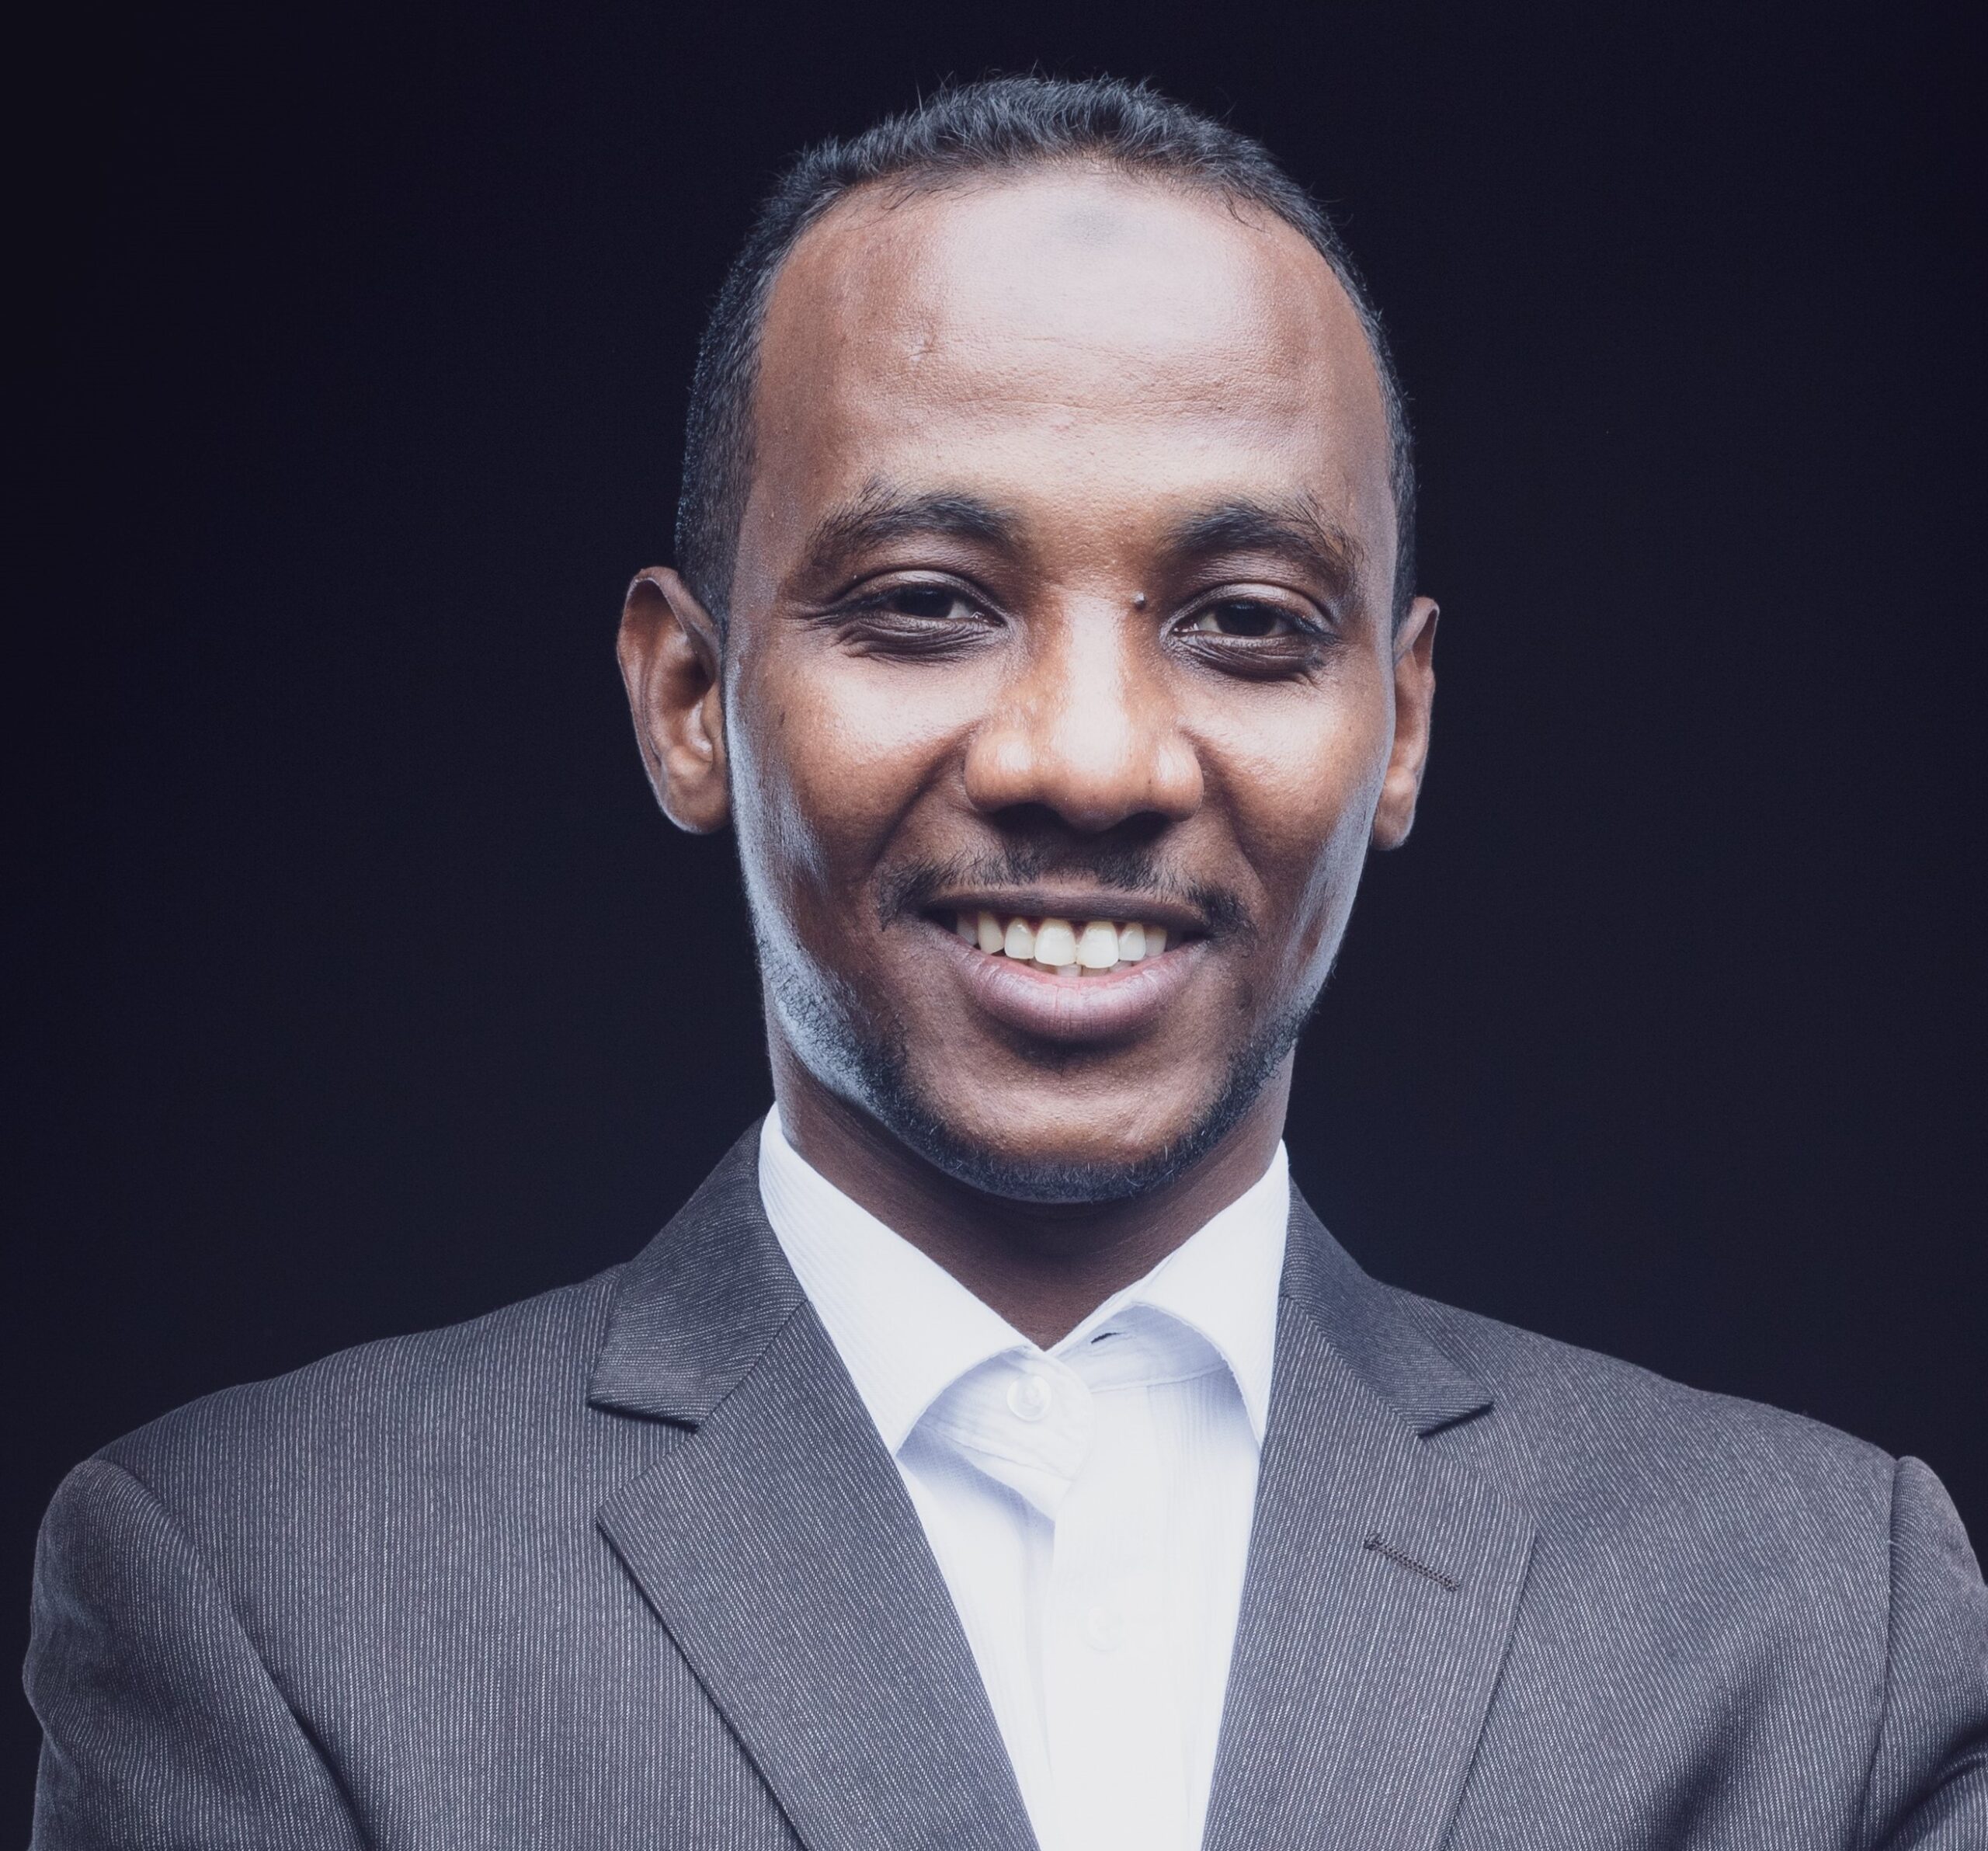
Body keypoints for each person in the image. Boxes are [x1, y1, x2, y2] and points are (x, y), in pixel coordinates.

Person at [26, 75, 1986, 1850]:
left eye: (1243, 621)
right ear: (690, 698)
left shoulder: (1822, 1618)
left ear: (1396, 727)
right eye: (924, 605)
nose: (1089, 760)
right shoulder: (271, 1588)